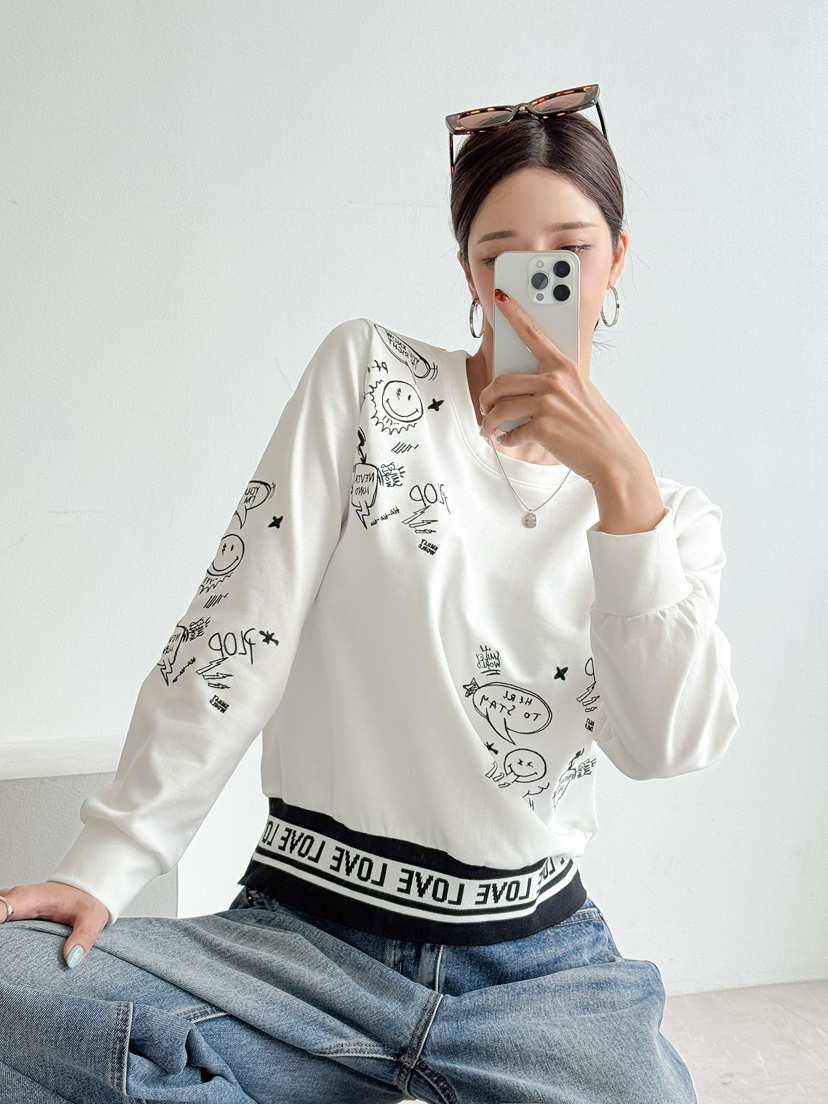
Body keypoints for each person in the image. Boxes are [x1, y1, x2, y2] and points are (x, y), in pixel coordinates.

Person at [0, 85, 738, 1104]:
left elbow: (666, 746)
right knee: (14, 983)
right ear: (470, 272)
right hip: (299, 947)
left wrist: (621, 487)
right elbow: (236, 630)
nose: (535, 285)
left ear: (616, 259)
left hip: (537, 977)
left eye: (569, 252)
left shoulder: (666, 517)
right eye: (502, 259)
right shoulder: (370, 380)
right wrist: (105, 865)